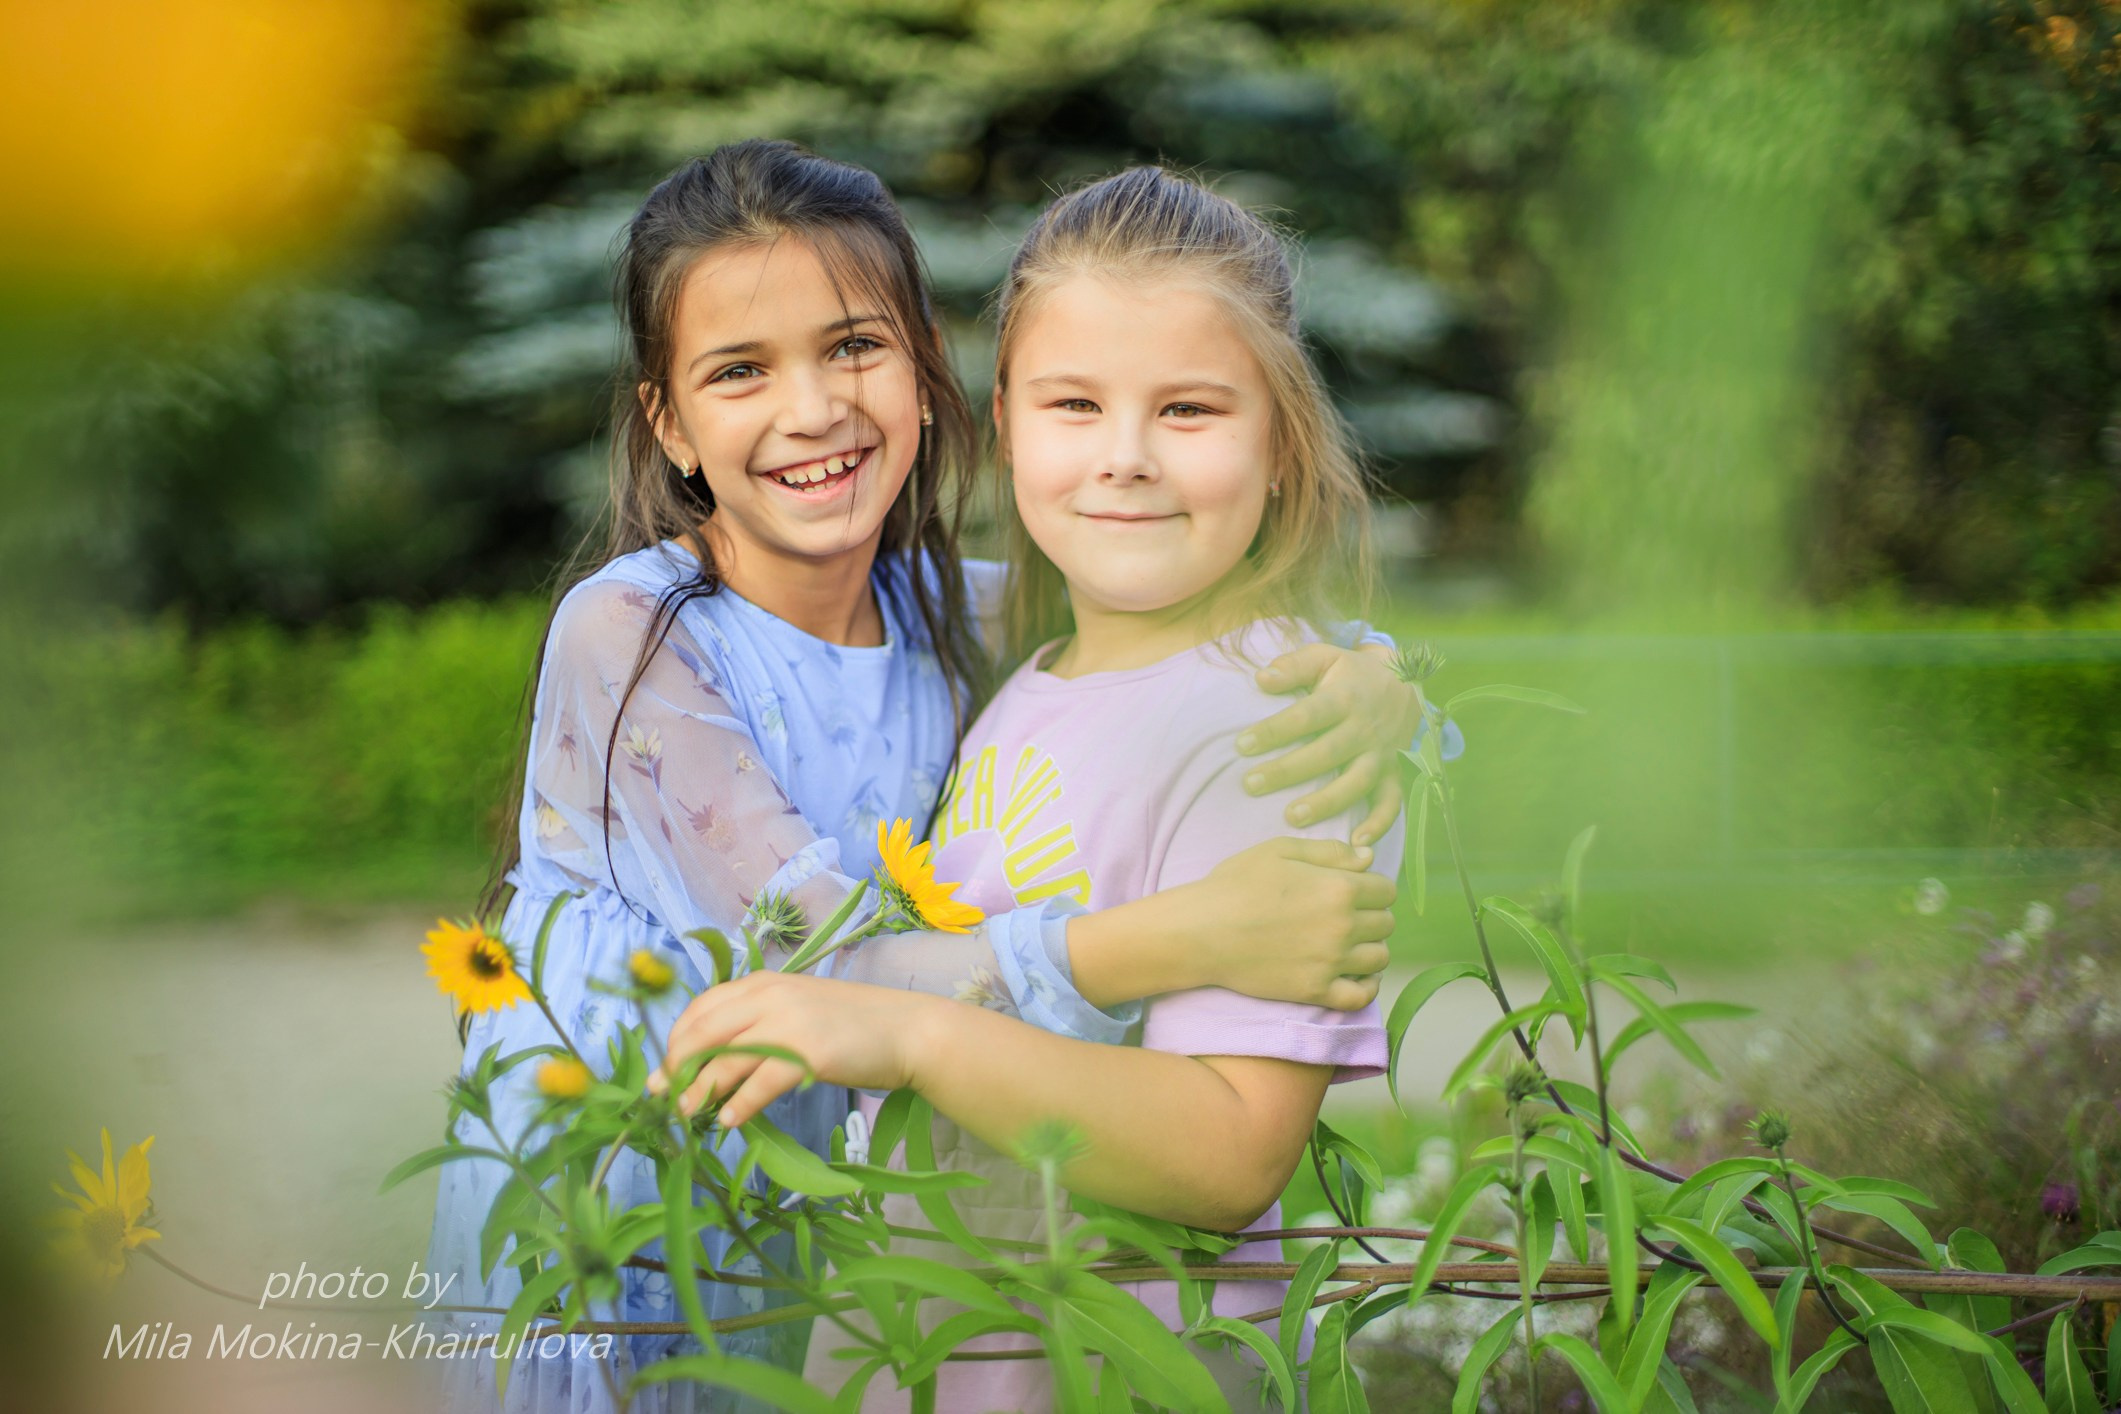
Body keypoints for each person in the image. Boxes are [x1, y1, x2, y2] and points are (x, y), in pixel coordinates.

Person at [421, 140, 1423, 1412]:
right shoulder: (633, 638)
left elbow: (1159, 632)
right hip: (632, 1213)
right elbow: (825, 964)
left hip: (851, 1221)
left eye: (853, 347)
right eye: (740, 370)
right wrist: (1178, 937)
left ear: (929, 373)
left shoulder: (959, 615)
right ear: (668, 421)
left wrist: (1379, 679)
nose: (811, 409)